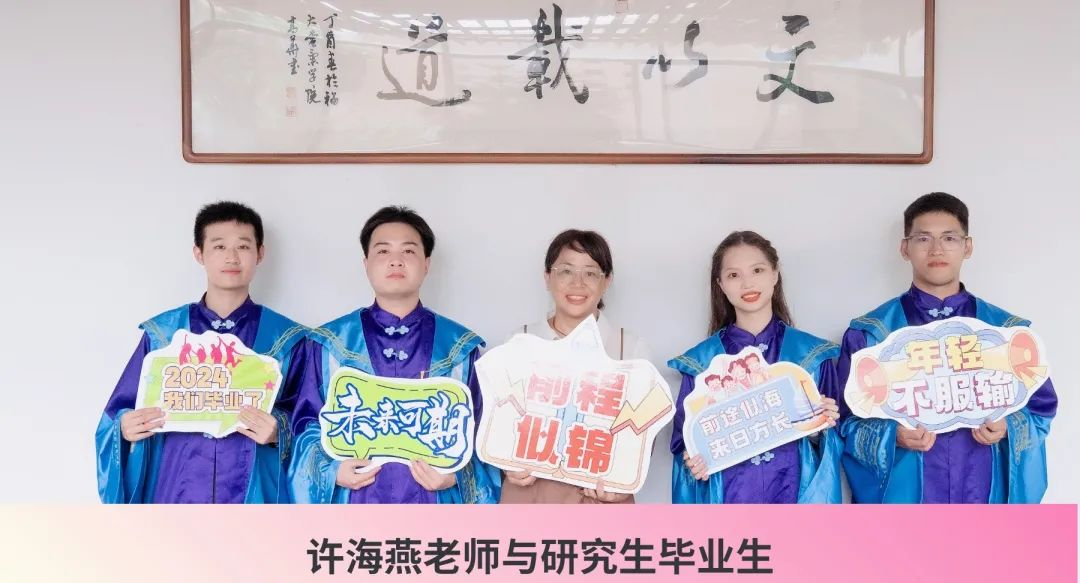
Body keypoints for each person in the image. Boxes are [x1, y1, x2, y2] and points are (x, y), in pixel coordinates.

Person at [838, 192, 1057, 503]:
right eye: (923, 239)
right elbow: (845, 422)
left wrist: (1008, 427)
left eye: (950, 238)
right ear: (905, 248)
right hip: (907, 501)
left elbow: (1041, 409)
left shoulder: (1007, 334)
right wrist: (892, 436)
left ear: (968, 247)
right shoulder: (872, 335)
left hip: (984, 491)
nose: (937, 249)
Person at [96, 201, 317, 503]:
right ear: (199, 253)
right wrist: (124, 427)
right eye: (219, 246)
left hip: (256, 495)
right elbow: (116, 415)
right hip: (175, 488)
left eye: (243, 246)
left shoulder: (286, 339)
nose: (231, 257)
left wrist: (281, 431)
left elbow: (311, 422)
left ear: (260, 253)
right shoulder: (163, 335)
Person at [290, 206, 499, 504]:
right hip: (354, 507)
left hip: (435, 509)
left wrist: (456, 476)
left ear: (427, 264)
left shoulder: (459, 349)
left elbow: (486, 436)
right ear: (366, 263)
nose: (396, 260)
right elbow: (305, 425)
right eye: (383, 251)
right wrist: (331, 471)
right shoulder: (330, 344)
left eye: (409, 251)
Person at [670, 231, 842, 504]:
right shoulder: (701, 365)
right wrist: (693, 462)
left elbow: (836, 441)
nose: (747, 283)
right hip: (730, 500)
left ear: (775, 274)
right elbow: (684, 445)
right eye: (733, 275)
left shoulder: (812, 356)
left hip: (798, 497)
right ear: (720, 285)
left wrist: (822, 427)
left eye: (757, 270)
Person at [500, 229, 649, 504]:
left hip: (602, 498)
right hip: (529, 494)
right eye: (566, 271)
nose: (577, 283)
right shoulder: (519, 340)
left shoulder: (630, 348)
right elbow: (498, 422)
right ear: (548, 277)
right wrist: (506, 463)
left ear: (607, 281)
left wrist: (624, 481)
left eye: (590, 273)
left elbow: (645, 432)